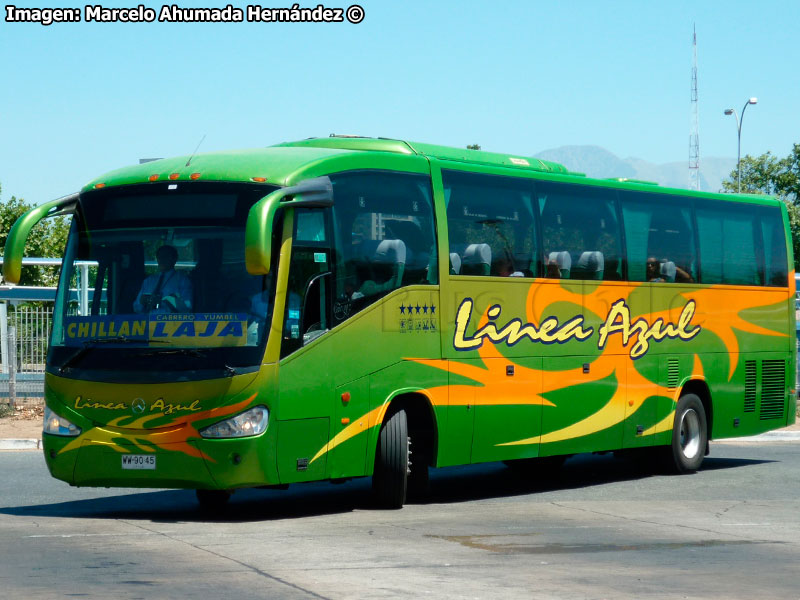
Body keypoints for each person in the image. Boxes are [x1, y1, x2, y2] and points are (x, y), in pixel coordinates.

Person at [133, 245, 193, 313]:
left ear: (174, 259)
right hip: (148, 321)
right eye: (159, 256)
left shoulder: (182, 280)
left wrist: (167, 302)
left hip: (172, 322)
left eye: (165, 256)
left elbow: (187, 307)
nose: (162, 259)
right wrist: (142, 302)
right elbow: (136, 307)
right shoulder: (149, 281)